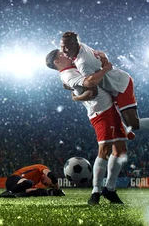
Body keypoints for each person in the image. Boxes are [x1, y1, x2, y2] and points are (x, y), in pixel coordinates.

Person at [46, 49, 127, 205]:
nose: (65, 54)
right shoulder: (67, 75)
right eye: (61, 55)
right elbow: (91, 88)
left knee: (121, 149)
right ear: (57, 62)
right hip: (101, 112)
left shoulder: (74, 66)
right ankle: (95, 191)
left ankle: (109, 189)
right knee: (104, 150)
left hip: (110, 108)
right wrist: (105, 70)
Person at [60, 31, 149, 135]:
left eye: (67, 47)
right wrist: (104, 62)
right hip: (113, 81)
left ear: (75, 45)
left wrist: (75, 96)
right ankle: (123, 133)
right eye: (62, 46)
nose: (63, 50)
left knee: (133, 124)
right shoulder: (82, 47)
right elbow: (101, 53)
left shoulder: (83, 63)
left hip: (119, 85)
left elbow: (93, 92)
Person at [0, 164, 64, 198]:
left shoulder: (37, 181)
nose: (48, 185)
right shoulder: (41, 168)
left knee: (40, 191)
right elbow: (51, 175)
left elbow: (31, 190)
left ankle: (13, 193)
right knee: (29, 183)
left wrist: (50, 192)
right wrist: (57, 187)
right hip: (13, 179)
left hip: (16, 186)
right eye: (50, 184)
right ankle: (8, 192)